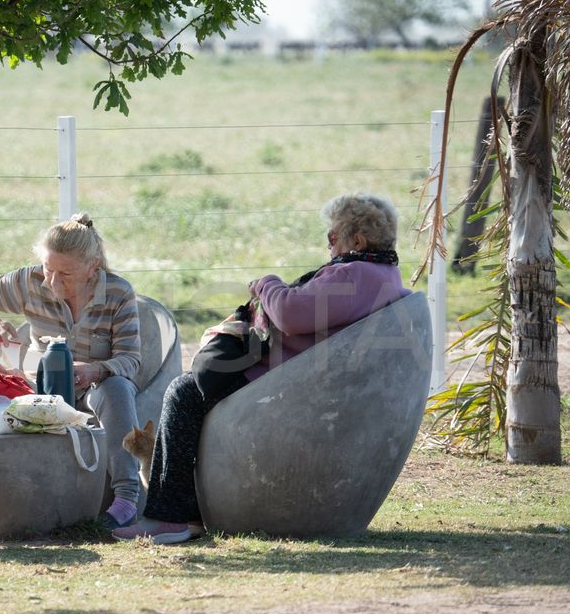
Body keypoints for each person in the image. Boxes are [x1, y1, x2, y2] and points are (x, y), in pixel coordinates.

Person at [112, 192, 412, 544]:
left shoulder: (356, 274)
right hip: (297, 376)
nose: (328, 243)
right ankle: (188, 514)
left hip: (278, 382)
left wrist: (266, 283)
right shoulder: (384, 273)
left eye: (333, 236)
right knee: (193, 390)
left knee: (184, 393)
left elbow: (290, 312)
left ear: (357, 240)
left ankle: (168, 517)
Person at [0, 213, 144, 528]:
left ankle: (126, 497)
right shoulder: (30, 283)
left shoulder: (118, 293)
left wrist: (96, 370)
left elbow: (131, 360)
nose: (53, 282)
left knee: (118, 389)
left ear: (92, 266)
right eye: (48, 269)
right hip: (41, 390)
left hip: (96, 390)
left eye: (66, 274)